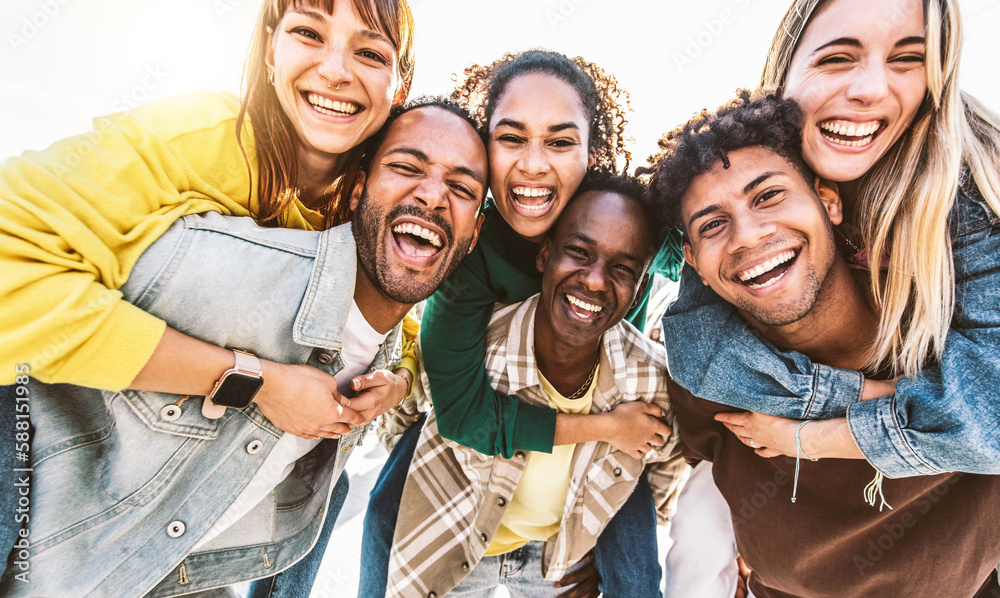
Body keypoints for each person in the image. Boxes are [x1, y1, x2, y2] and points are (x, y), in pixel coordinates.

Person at [0, 100, 487, 598]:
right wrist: (252, 380)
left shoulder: (381, 352)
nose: (432, 195)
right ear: (359, 187)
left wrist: (401, 378)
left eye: (463, 188)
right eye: (407, 167)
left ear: (473, 236)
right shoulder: (218, 262)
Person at [0, 0, 418, 436]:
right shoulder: (192, 135)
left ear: (400, 89)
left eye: (370, 54)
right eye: (309, 34)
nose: (335, 71)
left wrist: (400, 382)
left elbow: (403, 325)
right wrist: (259, 384)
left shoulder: (365, 207)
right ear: (271, 53)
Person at [361, 49, 681, 598]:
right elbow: (461, 415)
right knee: (390, 505)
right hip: (475, 451)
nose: (533, 164)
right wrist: (607, 427)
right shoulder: (473, 250)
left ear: (592, 151)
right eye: (511, 138)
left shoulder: (624, 226)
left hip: (588, 461)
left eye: (559, 141)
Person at [656, 89, 1000, 597]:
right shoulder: (708, 384)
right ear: (694, 263)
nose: (748, 235)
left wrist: (811, 433)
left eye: (768, 195)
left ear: (829, 201)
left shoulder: (952, 342)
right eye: (712, 224)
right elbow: (703, 485)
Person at [661, 0, 1000, 478]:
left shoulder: (968, 186)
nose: (869, 89)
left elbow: (991, 419)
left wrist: (803, 437)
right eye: (837, 58)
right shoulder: (742, 162)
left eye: (907, 58)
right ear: (785, 69)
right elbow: (698, 348)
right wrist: (870, 394)